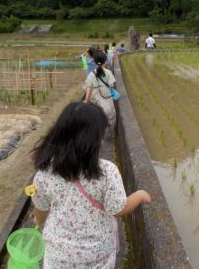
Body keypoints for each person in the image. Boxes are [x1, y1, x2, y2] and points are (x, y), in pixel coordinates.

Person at [32, 102, 151, 269]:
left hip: (58, 256)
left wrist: (38, 219)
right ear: (93, 140)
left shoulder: (44, 172)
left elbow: (41, 208)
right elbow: (117, 208)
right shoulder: (107, 171)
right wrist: (140, 195)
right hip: (97, 256)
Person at [83, 51, 117, 128]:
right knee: (110, 116)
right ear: (105, 61)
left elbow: (88, 88)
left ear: (95, 61)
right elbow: (112, 85)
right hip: (106, 98)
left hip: (95, 98)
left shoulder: (92, 74)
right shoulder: (108, 72)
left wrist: (86, 100)